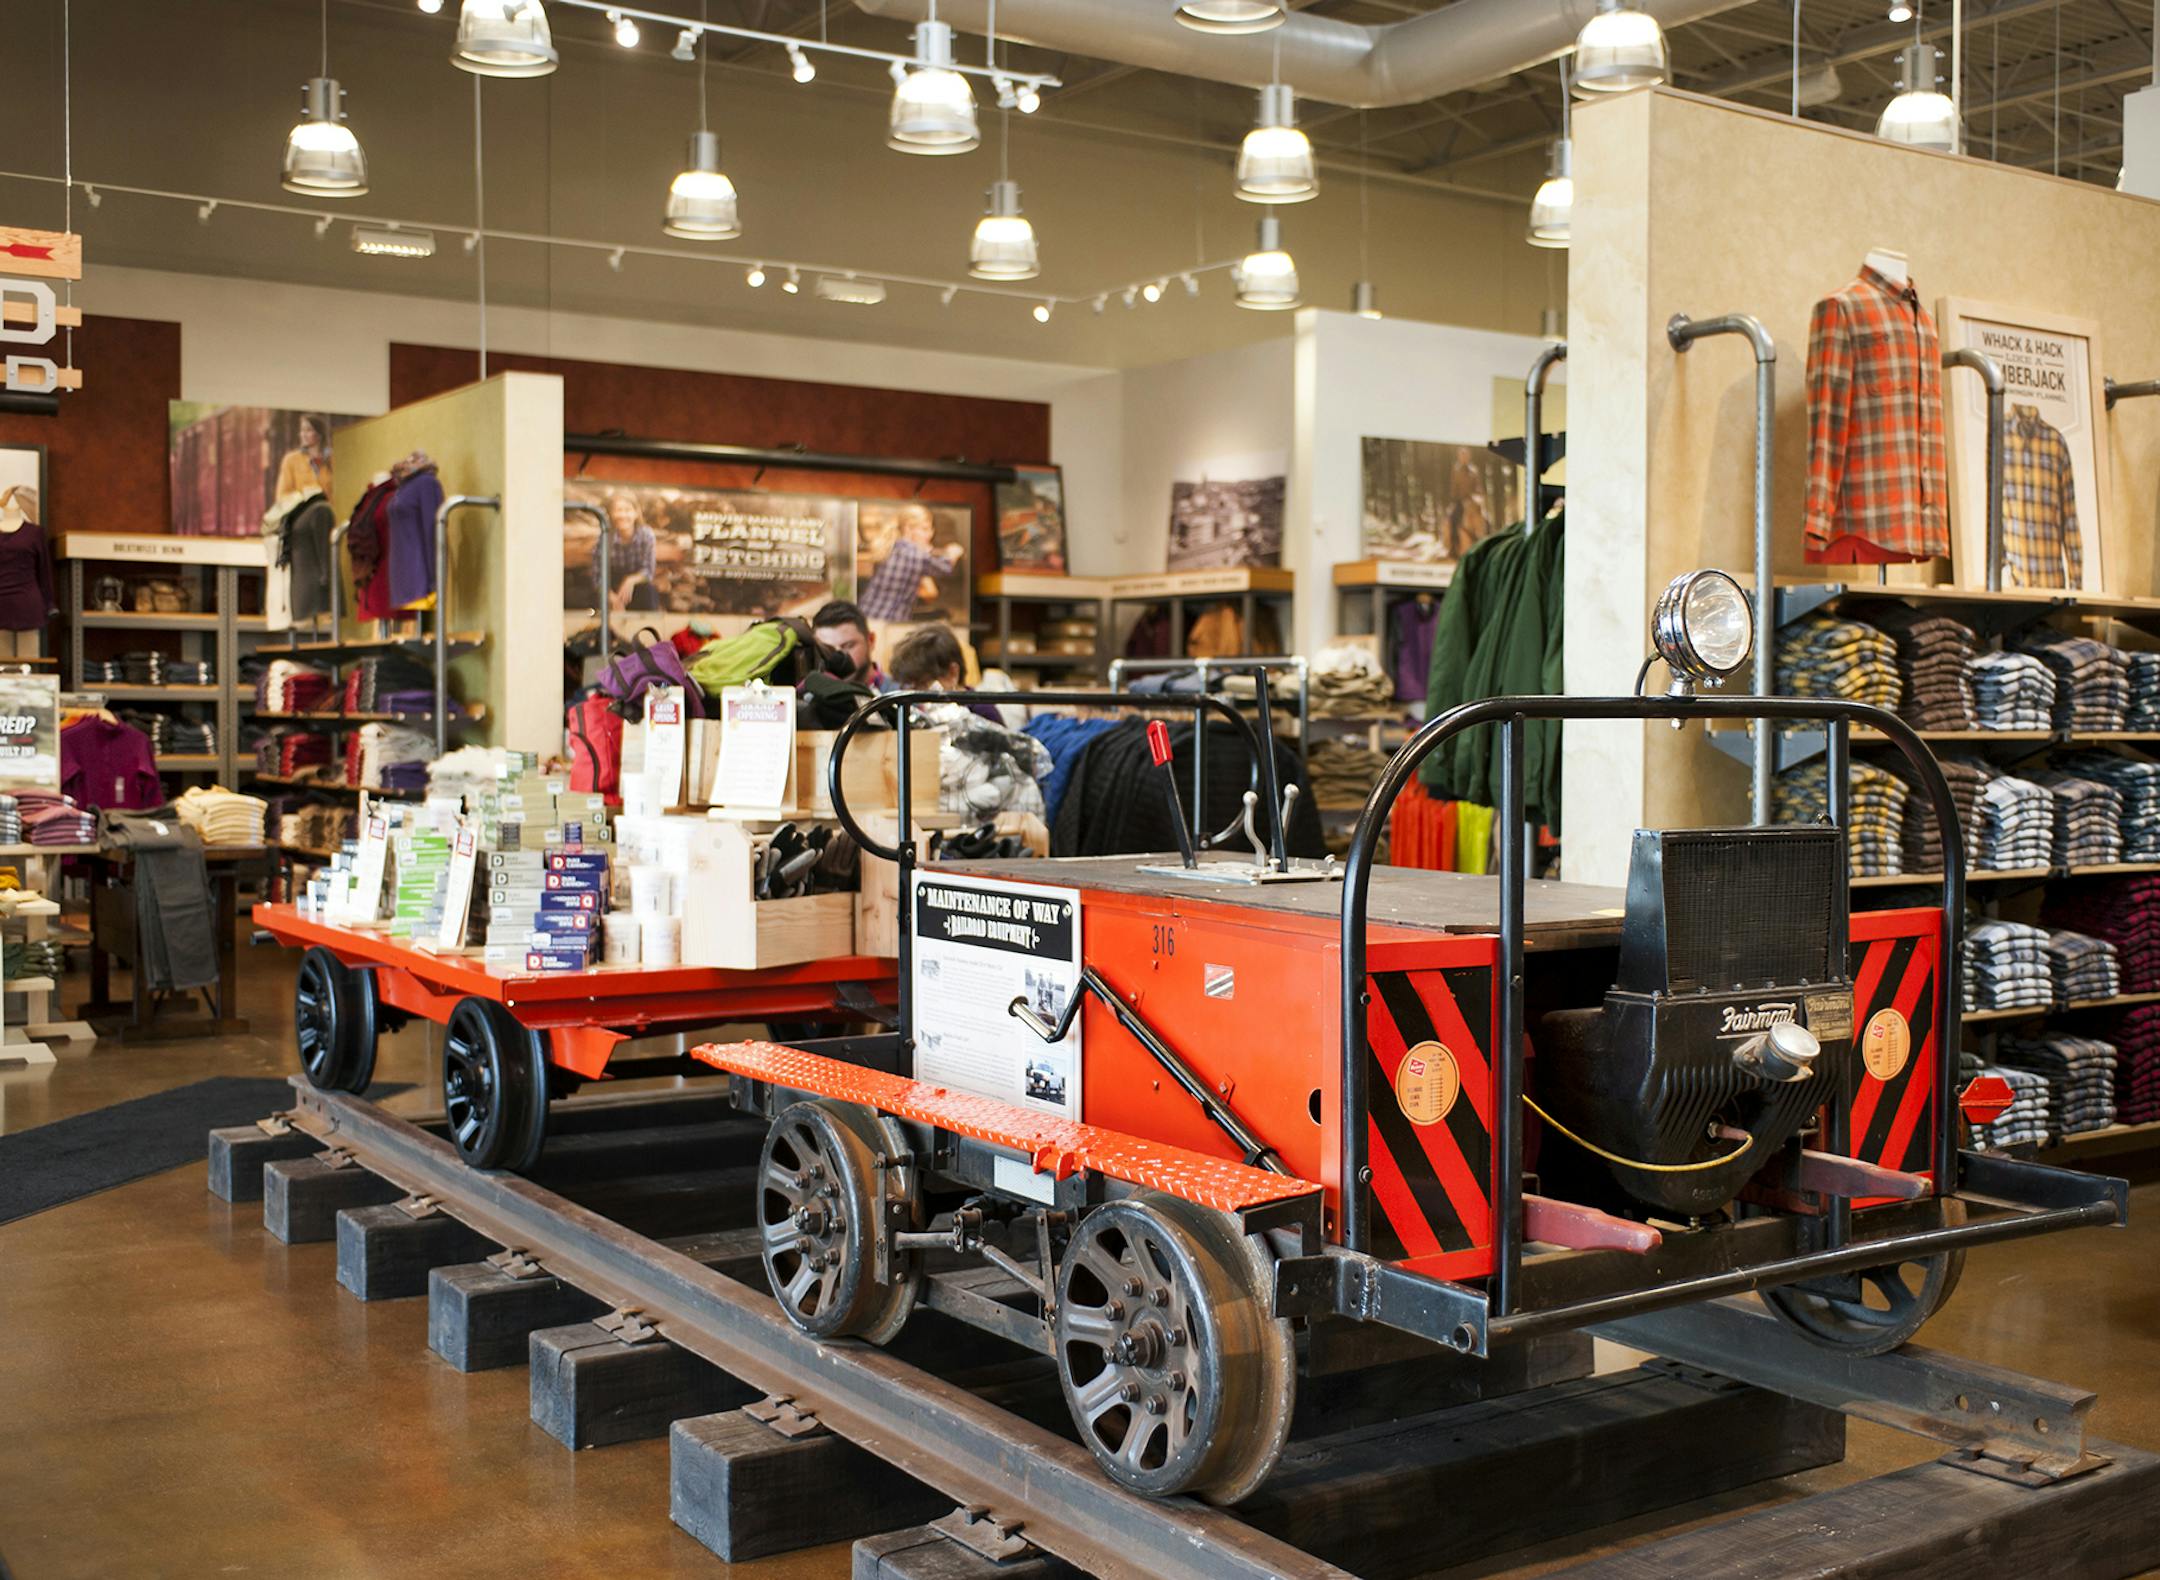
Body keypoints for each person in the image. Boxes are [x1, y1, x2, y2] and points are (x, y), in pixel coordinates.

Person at [887, 626, 1049, 819]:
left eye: (922, 684)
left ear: (952, 673)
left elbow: (1003, 778)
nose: (914, 694)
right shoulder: (916, 715)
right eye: (907, 686)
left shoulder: (981, 713)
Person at [859, 502, 962, 623]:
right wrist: (953, 552)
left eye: (930, 529)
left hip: (866, 617)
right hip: (886, 622)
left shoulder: (891, 547)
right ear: (908, 528)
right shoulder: (914, 555)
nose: (929, 534)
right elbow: (946, 567)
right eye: (924, 529)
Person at [590, 491, 659, 612]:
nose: (622, 515)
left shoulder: (646, 535)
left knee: (649, 592)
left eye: (627, 510)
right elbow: (597, 577)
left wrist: (630, 580)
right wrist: (611, 598)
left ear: (636, 513)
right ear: (611, 514)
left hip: (637, 588)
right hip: (610, 589)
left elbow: (648, 570)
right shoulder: (604, 539)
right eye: (618, 510)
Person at [811, 599, 879, 687]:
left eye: (848, 646)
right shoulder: (806, 696)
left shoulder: (899, 695)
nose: (838, 658)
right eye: (827, 649)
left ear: (871, 640)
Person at [273, 413, 333, 502]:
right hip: (303, 513)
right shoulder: (291, 460)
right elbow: (282, 496)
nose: (303, 434)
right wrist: (303, 496)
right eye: (302, 430)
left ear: (319, 434)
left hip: (329, 513)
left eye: (308, 430)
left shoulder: (333, 459)